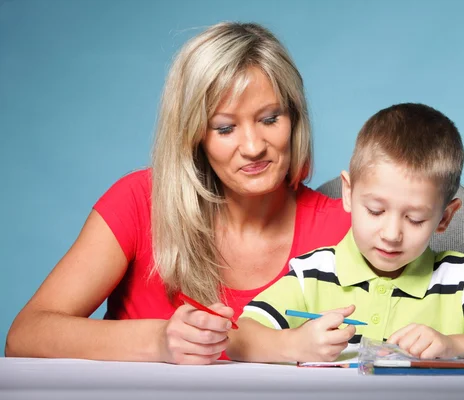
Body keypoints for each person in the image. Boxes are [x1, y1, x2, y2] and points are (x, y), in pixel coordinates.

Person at [5, 22, 350, 365]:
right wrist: (158, 341)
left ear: (294, 118)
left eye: (270, 119)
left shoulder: (348, 227)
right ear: (194, 134)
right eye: (225, 128)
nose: (252, 146)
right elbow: (24, 336)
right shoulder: (139, 202)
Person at [227, 103, 464, 363]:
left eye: (415, 219)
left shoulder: (461, 279)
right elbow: (238, 337)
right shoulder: (313, 273)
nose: (392, 234)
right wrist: (295, 344)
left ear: (445, 217)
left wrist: (452, 346)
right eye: (376, 211)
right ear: (349, 194)